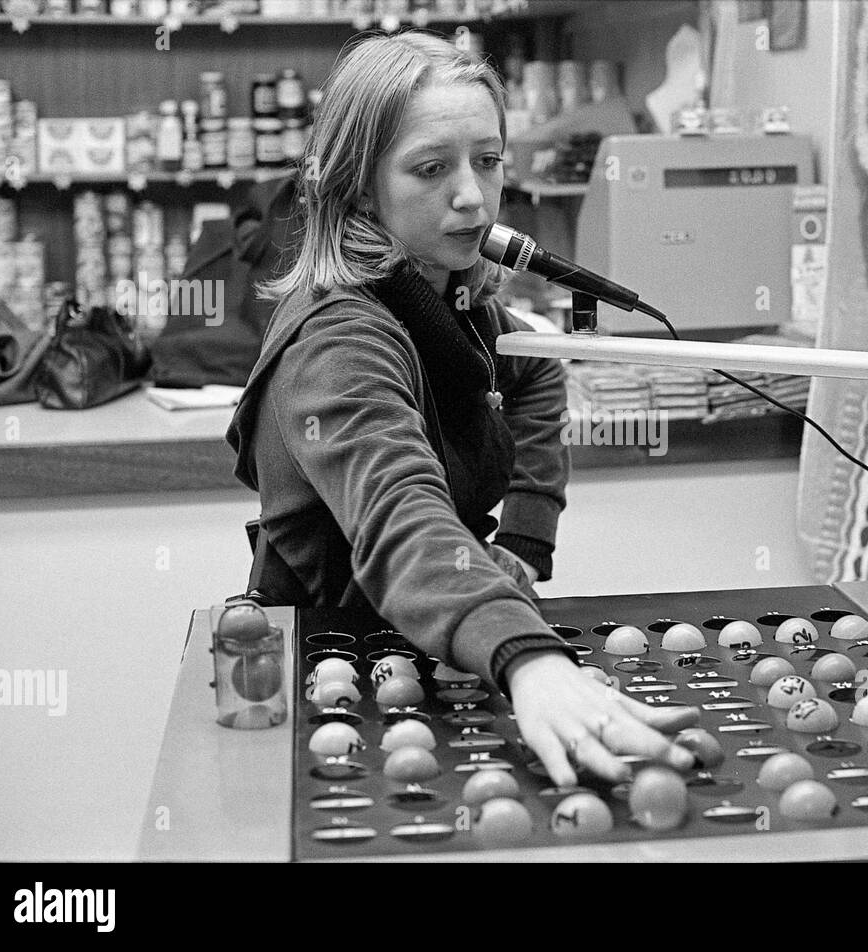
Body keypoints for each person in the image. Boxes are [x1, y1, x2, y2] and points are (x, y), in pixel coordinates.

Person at [226, 30, 697, 787]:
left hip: (442, 640)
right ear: (355, 185)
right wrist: (529, 659)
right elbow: (399, 511)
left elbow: (534, 372)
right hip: (338, 664)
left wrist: (525, 539)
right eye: (431, 168)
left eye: (488, 159)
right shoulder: (338, 341)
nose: (473, 195)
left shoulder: (453, 292)